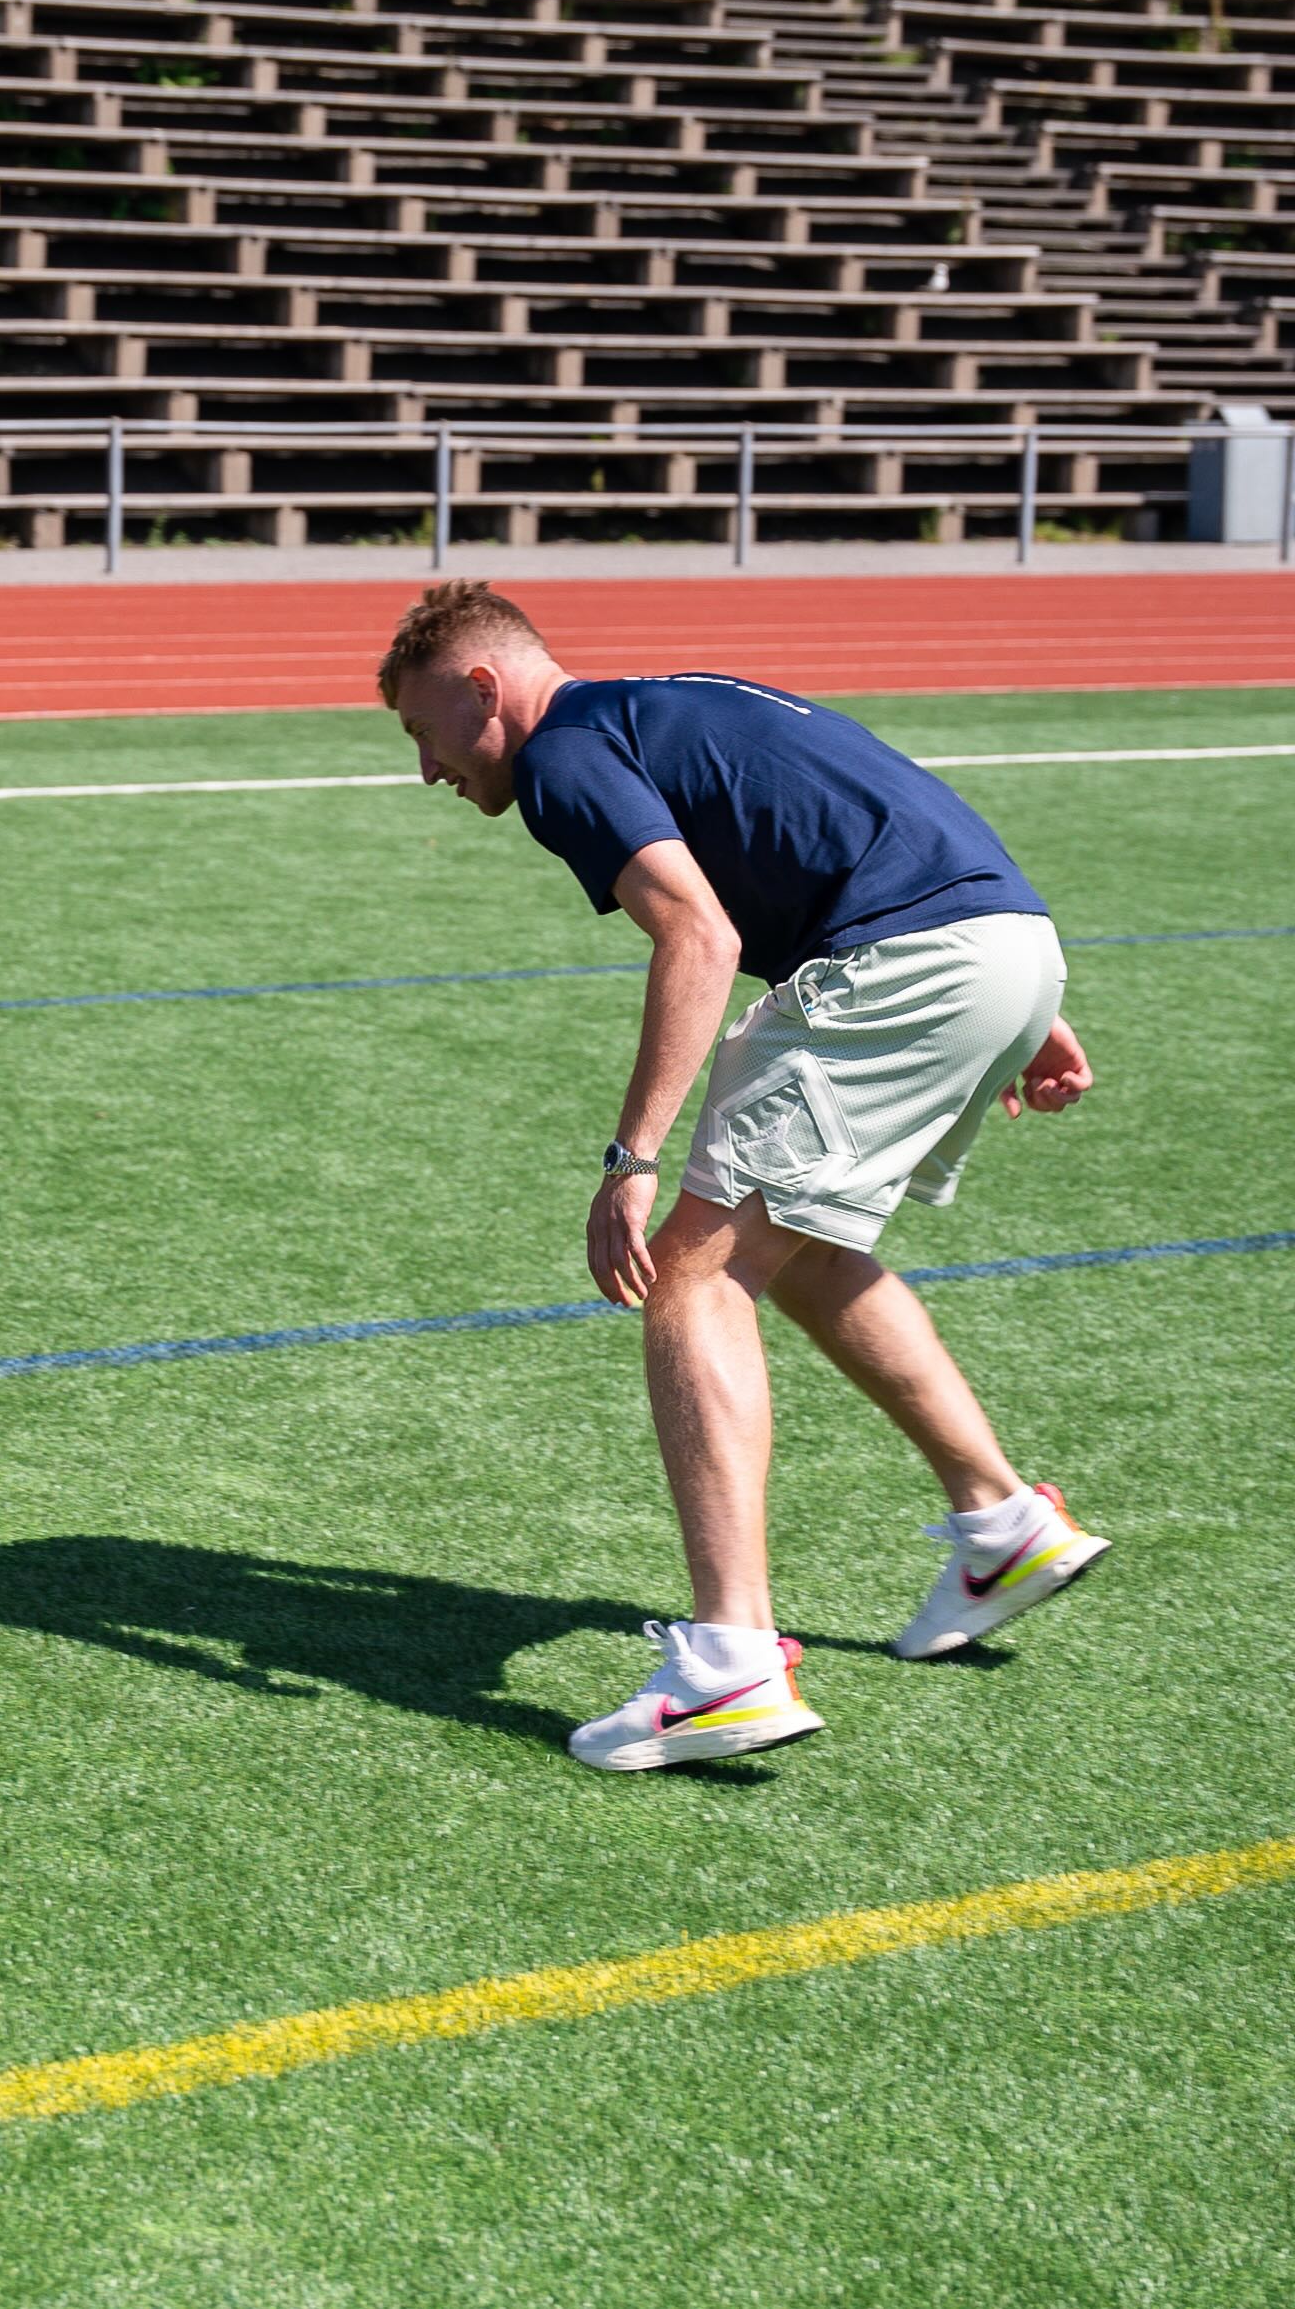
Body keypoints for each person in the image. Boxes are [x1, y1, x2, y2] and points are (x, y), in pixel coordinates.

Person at [379, 580, 1107, 1774]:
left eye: (421, 734)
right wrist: (1022, 996)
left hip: (909, 957)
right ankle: (1002, 1523)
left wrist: (632, 1159)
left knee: (695, 1273)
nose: (427, 772)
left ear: (480, 689)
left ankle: (729, 1662)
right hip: (1003, 937)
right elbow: (876, 796)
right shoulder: (659, 702)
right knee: (808, 1250)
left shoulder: (563, 750)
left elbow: (700, 935)